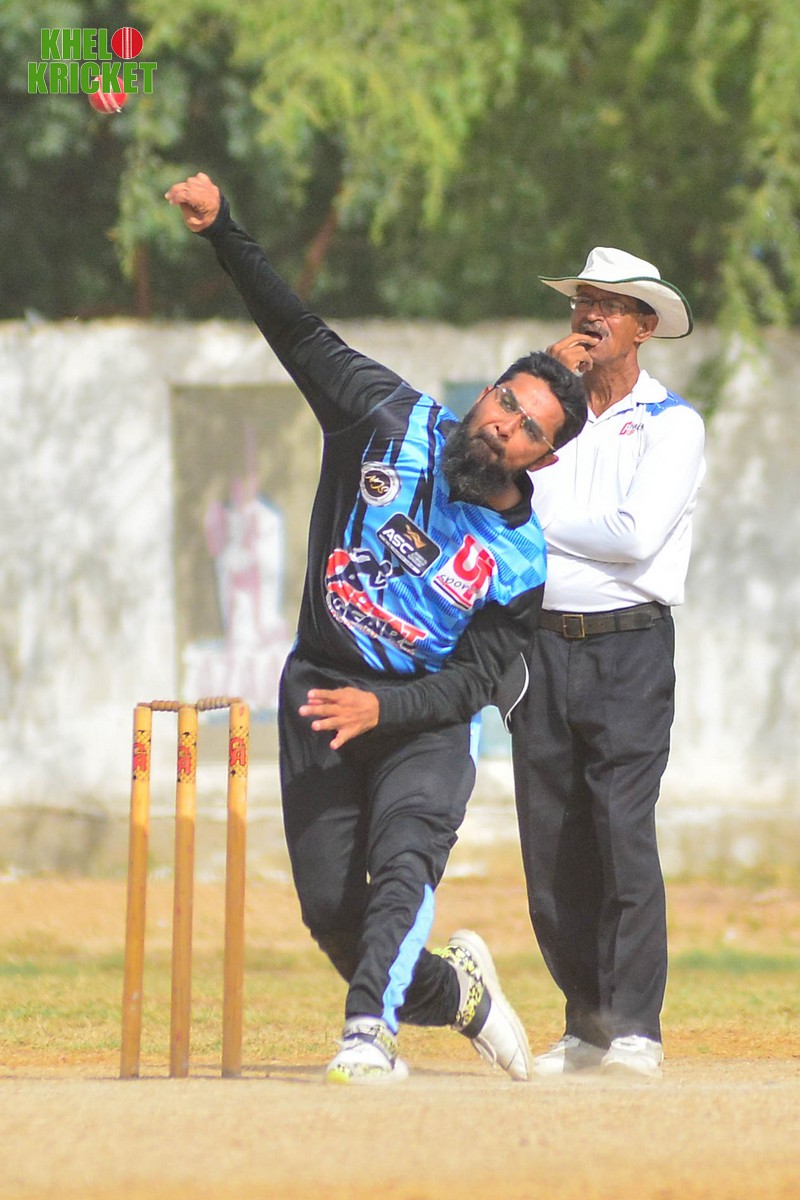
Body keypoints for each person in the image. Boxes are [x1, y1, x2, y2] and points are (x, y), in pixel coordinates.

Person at [166, 173, 587, 1084]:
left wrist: (386, 710)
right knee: (331, 914)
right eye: (505, 404)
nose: (504, 428)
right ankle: (462, 995)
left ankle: (368, 1036)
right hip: (321, 689)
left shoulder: (520, 560)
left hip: (423, 723)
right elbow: (297, 331)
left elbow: (475, 682)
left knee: (403, 866)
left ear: (545, 459)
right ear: (486, 394)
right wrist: (224, 230)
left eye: (528, 430)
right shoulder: (383, 416)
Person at [502, 247, 705, 1078]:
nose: (590, 315)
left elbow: (633, 535)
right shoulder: (548, 413)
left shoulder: (671, 422)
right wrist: (541, 389)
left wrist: (529, 512)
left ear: (644, 326)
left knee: (622, 833)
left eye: (610, 304)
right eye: (583, 300)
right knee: (551, 849)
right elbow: (487, 471)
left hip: (629, 648)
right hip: (540, 645)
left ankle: (634, 1029)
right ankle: (586, 1027)